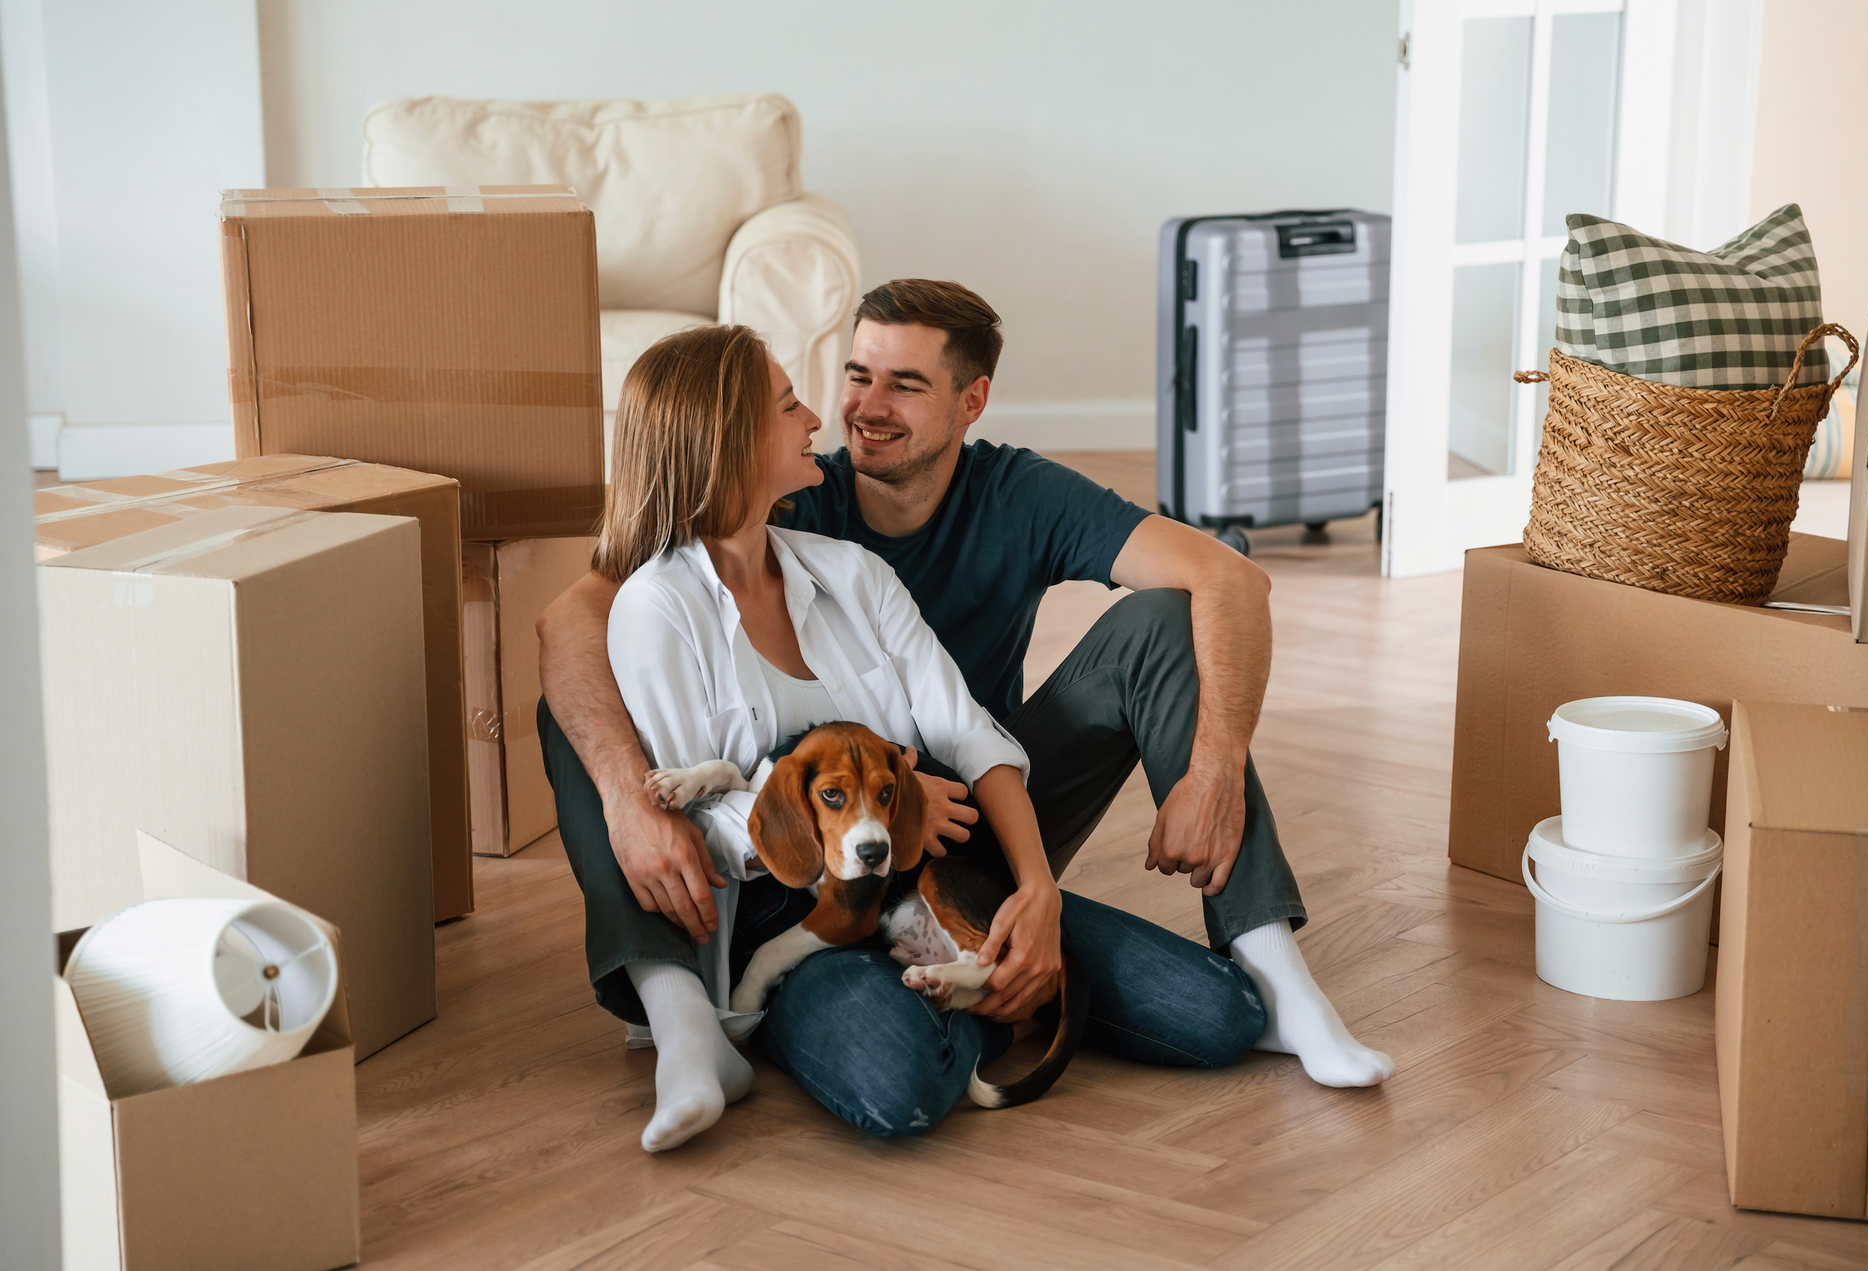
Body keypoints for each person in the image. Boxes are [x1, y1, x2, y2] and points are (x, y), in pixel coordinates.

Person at [540, 282, 1393, 1146]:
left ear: (970, 399)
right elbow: (575, 624)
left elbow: (1224, 580)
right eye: (849, 378)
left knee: (1218, 1016)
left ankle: (1262, 967)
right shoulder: (775, 522)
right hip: (808, 876)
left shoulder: (896, 548)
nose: (852, 413)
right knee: (896, 1083)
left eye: (904, 384)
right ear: (733, 440)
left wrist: (1076, 865)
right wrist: (630, 794)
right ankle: (786, 1006)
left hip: (962, 841)